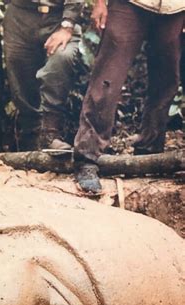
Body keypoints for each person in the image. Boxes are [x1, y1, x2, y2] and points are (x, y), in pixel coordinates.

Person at [74, 0, 185, 194]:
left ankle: (149, 153)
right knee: (107, 78)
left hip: (175, 8)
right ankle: (87, 158)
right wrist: (100, 3)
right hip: (128, 5)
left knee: (166, 82)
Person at [0, 0, 83, 151]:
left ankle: (50, 134)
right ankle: (31, 139)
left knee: (61, 59)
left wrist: (67, 25)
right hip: (20, 17)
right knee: (20, 77)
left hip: (58, 18)